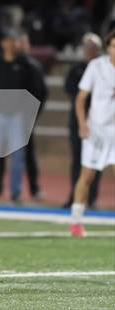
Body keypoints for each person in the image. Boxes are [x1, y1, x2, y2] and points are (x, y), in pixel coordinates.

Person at [0, 29, 44, 203]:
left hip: (18, 118)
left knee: (17, 159)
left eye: (13, 40)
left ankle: (15, 193)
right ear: (2, 43)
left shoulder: (26, 65)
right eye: (7, 40)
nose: (10, 44)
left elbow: (35, 92)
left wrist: (27, 115)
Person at [69, 30, 115, 238]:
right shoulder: (96, 66)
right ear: (108, 48)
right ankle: (76, 221)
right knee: (87, 175)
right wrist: (82, 124)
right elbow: (80, 98)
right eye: (113, 46)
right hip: (96, 130)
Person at [63, 33, 102, 209]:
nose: (89, 51)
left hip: (100, 123)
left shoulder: (105, 69)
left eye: (93, 48)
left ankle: (91, 198)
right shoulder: (77, 69)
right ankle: (75, 197)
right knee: (78, 160)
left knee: (97, 162)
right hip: (79, 121)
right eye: (87, 47)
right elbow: (75, 94)